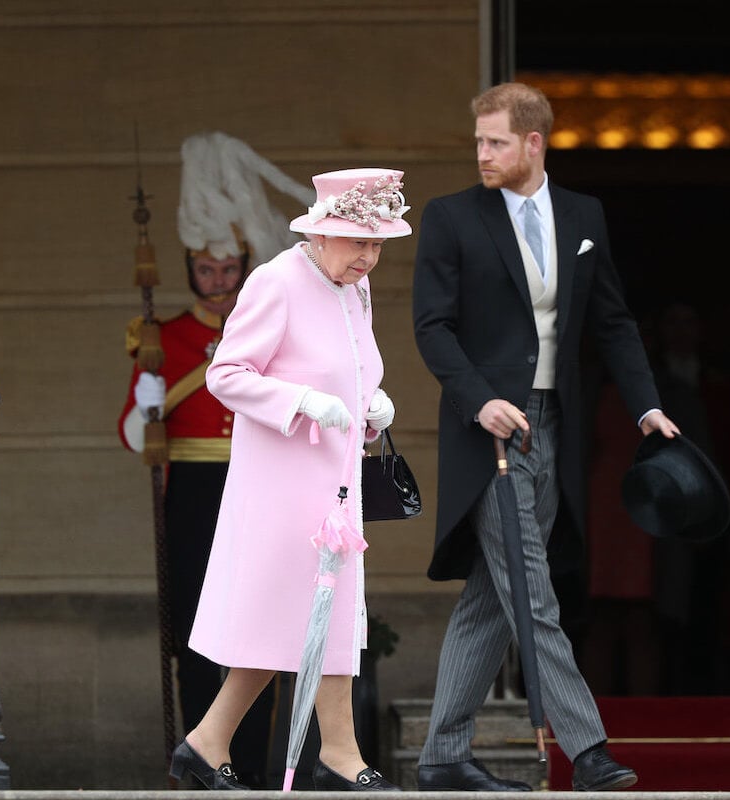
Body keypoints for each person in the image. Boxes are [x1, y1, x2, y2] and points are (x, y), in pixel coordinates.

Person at [411, 82, 679, 792]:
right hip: (488, 431)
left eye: (496, 142)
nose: (483, 154)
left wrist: (646, 406)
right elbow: (431, 329)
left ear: (535, 143)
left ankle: (441, 757)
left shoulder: (583, 215)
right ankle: (587, 749)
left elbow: (613, 323)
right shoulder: (451, 218)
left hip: (557, 423)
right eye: (478, 142)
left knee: (492, 601)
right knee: (531, 590)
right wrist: (479, 402)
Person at [170, 167, 411, 791]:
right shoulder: (275, 281)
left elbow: (350, 373)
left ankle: (215, 743)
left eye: (377, 243)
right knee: (297, 616)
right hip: (280, 483)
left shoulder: (354, 289)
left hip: (332, 482)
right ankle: (335, 754)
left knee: (318, 616)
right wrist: (299, 400)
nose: (368, 256)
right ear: (322, 232)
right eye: (357, 241)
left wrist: (371, 405)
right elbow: (228, 374)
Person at [118, 131, 315, 787]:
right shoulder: (164, 336)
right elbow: (130, 436)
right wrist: (153, 397)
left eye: (230, 271)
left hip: (257, 481)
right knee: (198, 627)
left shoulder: (265, 325)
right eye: (207, 271)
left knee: (258, 623)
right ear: (190, 269)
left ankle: (253, 767)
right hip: (196, 490)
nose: (220, 283)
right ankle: (204, 760)